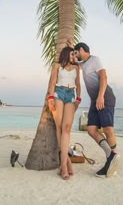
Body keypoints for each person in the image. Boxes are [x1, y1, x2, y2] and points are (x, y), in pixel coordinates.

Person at [73, 42, 120, 178]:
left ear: (81, 49)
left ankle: (111, 162)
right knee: (91, 130)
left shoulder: (95, 60)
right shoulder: (83, 64)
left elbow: (104, 76)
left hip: (104, 97)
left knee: (108, 129)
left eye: (76, 52)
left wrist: (100, 96)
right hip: (95, 100)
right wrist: (71, 47)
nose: (76, 55)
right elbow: (76, 63)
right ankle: (111, 156)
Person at [47, 46, 81, 180]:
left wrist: (78, 98)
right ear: (66, 54)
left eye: (75, 55)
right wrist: (50, 98)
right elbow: (52, 82)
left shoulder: (77, 68)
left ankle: (65, 164)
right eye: (72, 54)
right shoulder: (57, 66)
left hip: (70, 95)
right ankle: (65, 165)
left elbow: (78, 84)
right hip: (58, 93)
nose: (74, 57)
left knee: (67, 128)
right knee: (60, 127)